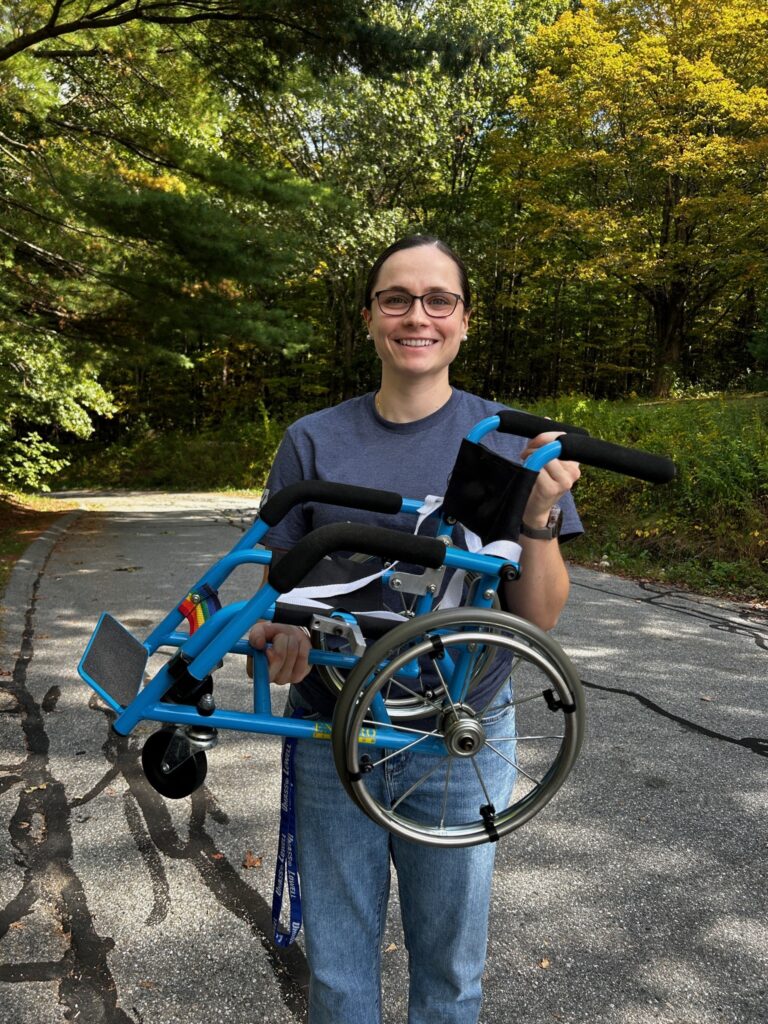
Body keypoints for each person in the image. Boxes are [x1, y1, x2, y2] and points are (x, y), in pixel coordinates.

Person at [248, 235, 582, 1024]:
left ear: (465, 319)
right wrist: (278, 634)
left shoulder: (511, 442)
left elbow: (536, 621)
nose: (417, 316)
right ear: (369, 317)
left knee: (450, 977)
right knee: (337, 977)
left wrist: (537, 517)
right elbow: (280, 587)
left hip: (459, 737)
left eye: (439, 300)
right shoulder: (313, 440)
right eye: (396, 299)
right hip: (332, 729)